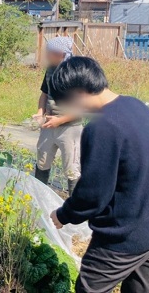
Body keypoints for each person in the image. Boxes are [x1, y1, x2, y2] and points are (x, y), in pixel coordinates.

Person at [50, 57, 149, 293]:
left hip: (125, 237)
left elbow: (93, 194)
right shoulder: (135, 105)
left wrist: (64, 214)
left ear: (77, 93)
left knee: (90, 289)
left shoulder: (102, 127)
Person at [33, 37, 82, 195]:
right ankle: (39, 198)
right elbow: (44, 95)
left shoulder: (76, 72)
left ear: (60, 53)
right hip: (48, 125)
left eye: (49, 52)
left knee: (72, 169)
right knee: (42, 162)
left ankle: (74, 208)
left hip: (70, 128)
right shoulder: (50, 70)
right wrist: (40, 113)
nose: (46, 55)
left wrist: (60, 120)